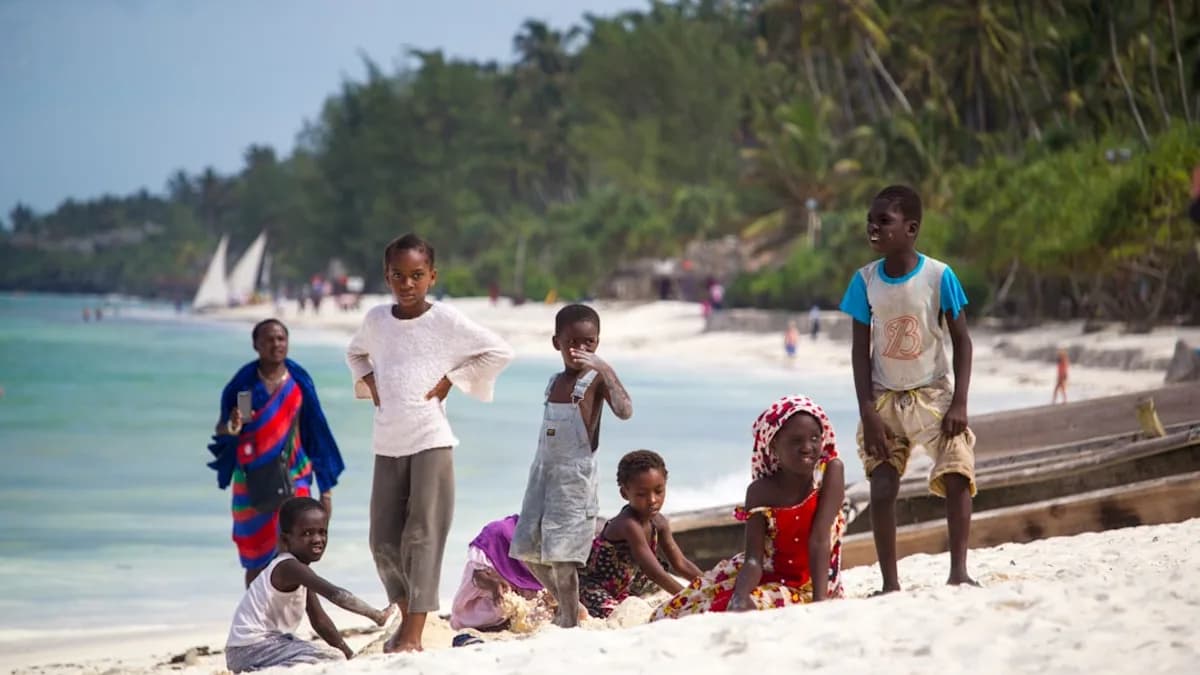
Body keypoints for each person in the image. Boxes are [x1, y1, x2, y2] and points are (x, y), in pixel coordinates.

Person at [346, 233, 514, 652]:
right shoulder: (376, 321)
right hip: (386, 443)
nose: (407, 284)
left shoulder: (446, 321)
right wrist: (368, 382)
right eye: (398, 276)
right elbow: (355, 353)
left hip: (431, 442)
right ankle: (407, 619)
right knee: (382, 540)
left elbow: (498, 352)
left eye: (416, 275)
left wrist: (451, 381)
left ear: (432, 276)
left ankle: (415, 636)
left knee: (422, 537)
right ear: (386, 277)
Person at [839, 184, 977, 592]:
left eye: (885, 221)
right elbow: (859, 350)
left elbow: (962, 341)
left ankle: (959, 572)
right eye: (871, 221)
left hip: (934, 395)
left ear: (911, 228)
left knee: (957, 474)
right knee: (882, 486)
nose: (874, 228)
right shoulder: (864, 282)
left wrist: (960, 403)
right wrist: (868, 410)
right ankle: (889, 583)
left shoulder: (939, 276)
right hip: (884, 399)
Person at [651, 395, 846, 620]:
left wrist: (819, 605)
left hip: (812, 581)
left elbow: (820, 538)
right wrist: (740, 596)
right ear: (773, 445)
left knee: (741, 607)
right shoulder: (760, 491)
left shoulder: (829, 473)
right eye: (796, 441)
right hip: (764, 571)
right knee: (674, 611)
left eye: (814, 438)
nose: (807, 447)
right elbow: (754, 559)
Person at [510, 303, 634, 628]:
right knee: (527, 551)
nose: (580, 350)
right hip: (542, 477)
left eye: (589, 343)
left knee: (564, 560)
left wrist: (605, 368)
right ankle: (572, 606)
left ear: (598, 343)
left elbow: (625, 411)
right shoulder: (554, 383)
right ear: (557, 343)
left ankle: (569, 621)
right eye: (572, 343)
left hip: (574, 482)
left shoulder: (595, 380)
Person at [208, 319, 345, 587]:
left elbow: (316, 434)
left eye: (281, 339)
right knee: (256, 557)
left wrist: (325, 490)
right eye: (269, 339)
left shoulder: (298, 382)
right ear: (256, 345)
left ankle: (290, 620)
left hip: (295, 476)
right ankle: (258, 620)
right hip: (251, 482)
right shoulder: (246, 386)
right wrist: (233, 426)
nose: (276, 344)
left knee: (297, 553)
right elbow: (230, 428)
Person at [224, 497, 393, 672]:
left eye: (323, 532)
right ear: (285, 540)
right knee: (330, 657)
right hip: (250, 648)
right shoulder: (288, 567)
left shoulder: (299, 571)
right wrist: (376, 615)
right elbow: (335, 594)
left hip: (259, 646)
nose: (317, 539)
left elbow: (320, 622)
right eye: (307, 533)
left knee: (333, 655)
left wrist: (349, 655)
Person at [578, 450, 703, 619]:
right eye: (642, 494)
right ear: (624, 493)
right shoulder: (628, 524)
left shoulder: (659, 522)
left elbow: (680, 563)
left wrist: (709, 585)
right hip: (595, 587)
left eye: (658, 491)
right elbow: (654, 572)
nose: (652, 500)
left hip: (628, 586)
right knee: (616, 613)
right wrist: (692, 599)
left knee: (658, 589)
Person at [449, 514, 545, 631]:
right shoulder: (498, 533)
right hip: (480, 608)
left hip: (516, 611)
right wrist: (492, 584)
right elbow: (478, 575)